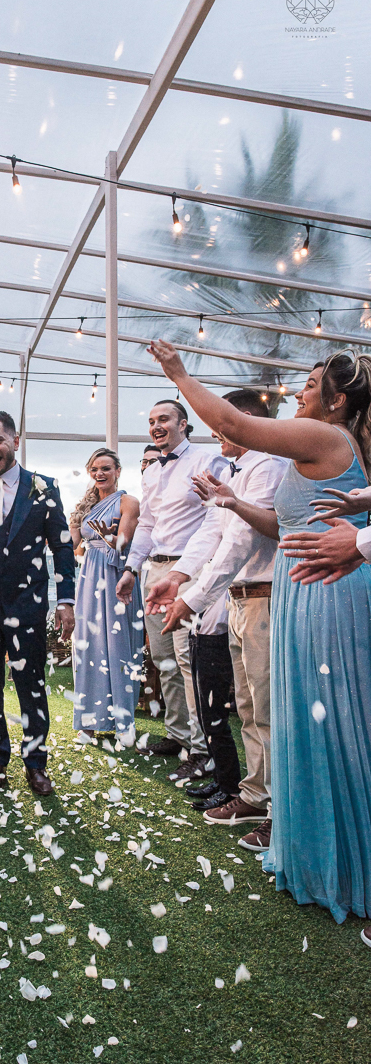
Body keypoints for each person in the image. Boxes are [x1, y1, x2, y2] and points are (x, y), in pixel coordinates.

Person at [150, 339, 371, 929]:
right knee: (303, 721)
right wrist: (232, 502)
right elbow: (284, 522)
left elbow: (231, 422)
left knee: (332, 724)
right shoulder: (325, 446)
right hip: (306, 590)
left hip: (328, 592)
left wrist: (179, 373)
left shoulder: (328, 437)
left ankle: (349, 865)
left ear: (336, 401)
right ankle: (316, 853)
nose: (299, 392)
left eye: (308, 384)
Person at [148, 390, 287, 847]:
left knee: (267, 711)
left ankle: (279, 812)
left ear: (244, 420)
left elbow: (242, 541)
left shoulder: (268, 465)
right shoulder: (238, 469)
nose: (214, 433)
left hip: (265, 599)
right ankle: (255, 793)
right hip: (238, 599)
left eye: (222, 424)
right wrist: (181, 579)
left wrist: (193, 599)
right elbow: (212, 531)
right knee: (247, 709)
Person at [0, 410, 76, 796]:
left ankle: (36, 763)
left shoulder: (43, 487)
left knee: (31, 684)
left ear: (15, 440)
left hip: (27, 605)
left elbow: (61, 547)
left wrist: (66, 601)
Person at [116, 400, 227, 781]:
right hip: (154, 569)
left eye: (163, 419)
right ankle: (178, 735)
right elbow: (146, 525)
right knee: (163, 658)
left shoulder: (207, 461)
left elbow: (217, 523)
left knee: (187, 660)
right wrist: (132, 568)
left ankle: (201, 748)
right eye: (150, 421)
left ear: (184, 423)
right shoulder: (151, 472)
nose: (156, 426)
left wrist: (183, 573)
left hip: (190, 571)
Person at [69, 447, 141, 742]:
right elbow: (71, 545)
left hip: (116, 576)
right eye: (95, 469)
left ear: (118, 471)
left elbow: (124, 545)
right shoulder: (85, 507)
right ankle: (88, 721)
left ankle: (123, 723)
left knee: (117, 644)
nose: (100, 474)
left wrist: (107, 537)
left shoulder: (128, 502)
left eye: (106, 468)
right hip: (89, 576)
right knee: (87, 644)